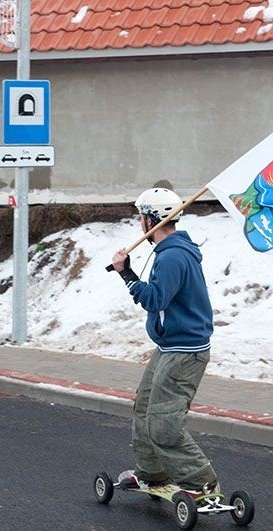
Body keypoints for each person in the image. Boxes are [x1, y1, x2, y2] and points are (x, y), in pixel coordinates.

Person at [110, 187, 219, 495]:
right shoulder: (169, 252)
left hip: (184, 352)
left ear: (150, 219)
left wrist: (127, 274)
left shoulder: (172, 257)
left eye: (141, 216)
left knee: (164, 422)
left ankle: (201, 482)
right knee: (144, 409)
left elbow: (155, 299)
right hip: (169, 347)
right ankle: (152, 473)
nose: (139, 221)